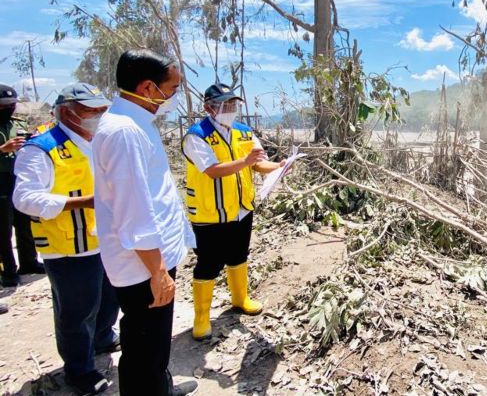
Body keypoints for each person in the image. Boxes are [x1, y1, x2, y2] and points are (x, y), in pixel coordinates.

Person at [92, 50, 197, 396]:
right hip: (142, 267)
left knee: (153, 344)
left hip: (152, 260)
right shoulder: (124, 132)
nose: (175, 96)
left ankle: (160, 386)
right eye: (173, 87)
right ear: (149, 87)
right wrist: (157, 271)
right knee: (143, 347)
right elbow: (133, 209)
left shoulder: (138, 124)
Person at [13, 83, 120, 395]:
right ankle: (79, 371)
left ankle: (102, 337)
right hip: (68, 245)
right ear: (66, 112)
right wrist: (79, 202)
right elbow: (25, 198)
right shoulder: (41, 148)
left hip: (106, 239)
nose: (98, 116)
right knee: (77, 310)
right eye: (90, 111)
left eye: (102, 110)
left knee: (108, 297)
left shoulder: (100, 141)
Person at [181, 83, 285, 340]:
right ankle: (202, 318)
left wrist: (279, 166)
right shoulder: (196, 136)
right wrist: (246, 162)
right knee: (208, 263)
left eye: (233, 104)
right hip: (210, 212)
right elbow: (212, 170)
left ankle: (240, 298)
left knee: (238, 254)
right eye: (225, 104)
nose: (231, 109)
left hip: (240, 208)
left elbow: (258, 163)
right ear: (209, 108)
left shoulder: (243, 132)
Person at [0, 83, 44, 287]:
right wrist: (3, 149)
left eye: (12, 104)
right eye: (4, 105)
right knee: (3, 231)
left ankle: (29, 262)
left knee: (25, 224)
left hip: (18, 179)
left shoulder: (18, 124)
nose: (9, 108)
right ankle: (8, 272)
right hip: (0, 182)